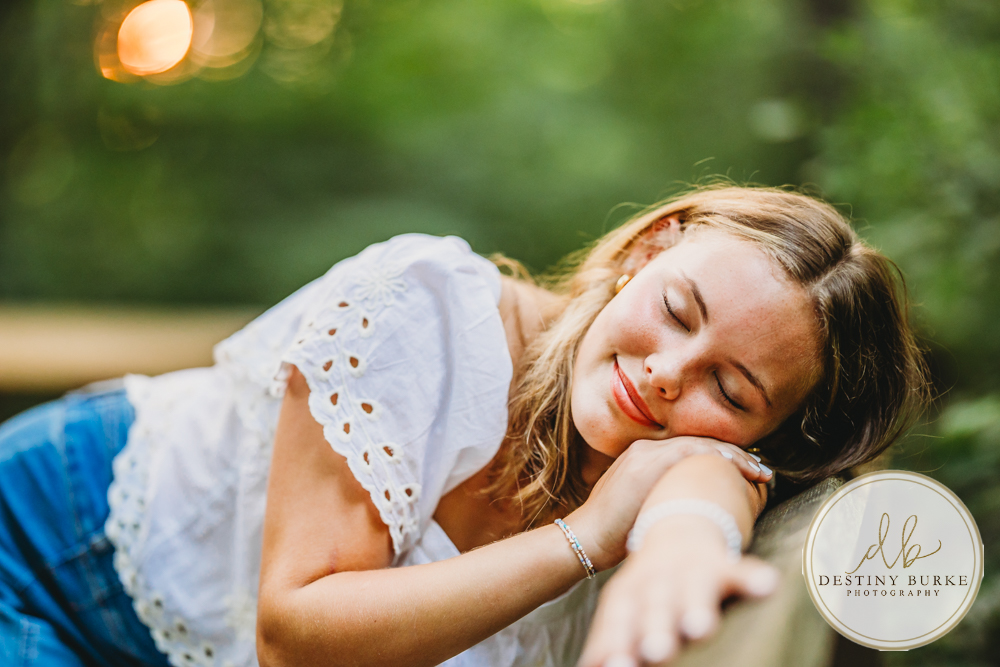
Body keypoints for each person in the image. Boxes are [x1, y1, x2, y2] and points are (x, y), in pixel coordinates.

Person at [0, 186, 929, 667]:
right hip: (40, 554)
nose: (665, 373)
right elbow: (296, 636)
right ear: (651, 248)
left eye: (730, 389)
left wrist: (688, 539)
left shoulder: (692, 456)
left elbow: (704, 493)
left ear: (765, 436)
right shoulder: (420, 311)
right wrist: (589, 537)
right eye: (678, 311)